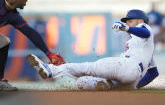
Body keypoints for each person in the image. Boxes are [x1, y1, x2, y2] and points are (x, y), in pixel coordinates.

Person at [27, 9, 159, 90]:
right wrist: (137, 86)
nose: (128, 23)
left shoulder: (145, 27)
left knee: (88, 67)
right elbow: (153, 72)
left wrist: (126, 28)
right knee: (83, 81)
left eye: (130, 20)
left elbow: (144, 32)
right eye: (127, 22)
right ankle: (105, 85)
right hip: (132, 76)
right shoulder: (147, 47)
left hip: (126, 65)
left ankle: (52, 70)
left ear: (140, 20)